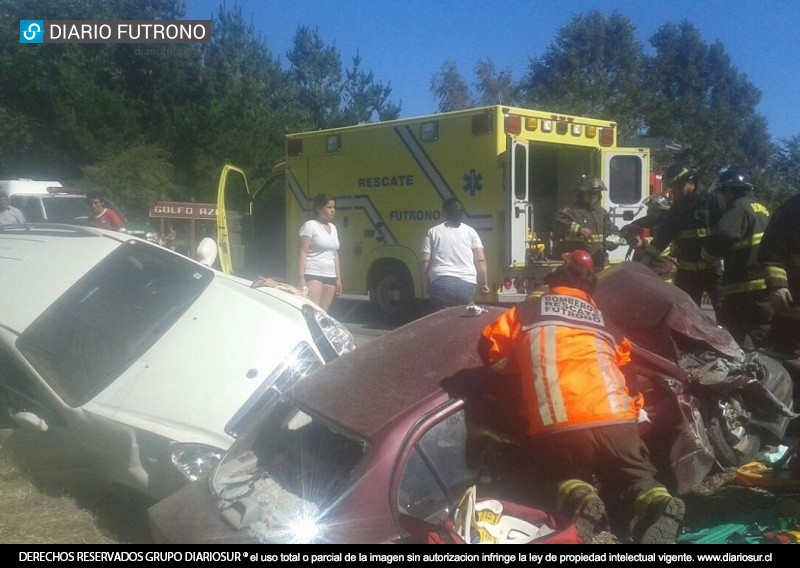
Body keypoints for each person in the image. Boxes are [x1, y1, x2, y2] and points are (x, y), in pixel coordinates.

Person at [477, 262, 685, 544]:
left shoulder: (525, 312)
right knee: (637, 475)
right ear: (588, 293)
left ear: (552, 286)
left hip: (560, 425)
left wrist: (520, 367)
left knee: (559, 475)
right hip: (617, 421)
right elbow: (627, 370)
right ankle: (658, 502)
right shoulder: (603, 320)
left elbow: (490, 351)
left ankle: (582, 498)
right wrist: (635, 409)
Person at [700, 168, 772, 349]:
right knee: (763, 336)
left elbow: (724, 234)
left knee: (728, 337)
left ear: (730, 191)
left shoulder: (738, 207)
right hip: (763, 285)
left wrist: (707, 256)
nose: (722, 198)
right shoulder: (762, 208)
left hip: (743, 286)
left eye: (723, 193)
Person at [641, 163, 725, 311]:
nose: (673, 193)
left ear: (688, 183)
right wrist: (645, 260)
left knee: (724, 313)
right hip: (687, 274)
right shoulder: (677, 209)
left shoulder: (713, 201)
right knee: (687, 315)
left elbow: (726, 232)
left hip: (714, 271)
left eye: (675, 189)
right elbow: (663, 237)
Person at [419, 197, 490, 310]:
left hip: (440, 284)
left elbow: (425, 260)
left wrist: (428, 283)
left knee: (441, 319)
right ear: (461, 212)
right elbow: (480, 260)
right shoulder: (471, 232)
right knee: (460, 317)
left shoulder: (433, 231)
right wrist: (484, 284)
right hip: (467, 286)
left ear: (445, 213)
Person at [759, 192, 800, 361]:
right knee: (781, 362)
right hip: (791, 311)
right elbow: (771, 251)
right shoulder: (791, 209)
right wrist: (778, 285)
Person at [552, 175, 620, 270]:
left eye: (596, 194)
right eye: (589, 193)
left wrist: (614, 241)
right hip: (578, 262)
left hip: (599, 261)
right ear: (581, 194)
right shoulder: (571, 211)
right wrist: (579, 229)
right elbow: (558, 222)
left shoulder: (602, 212)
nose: (593, 196)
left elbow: (612, 230)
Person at [298, 193, 341, 312]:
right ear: (318, 208)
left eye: (334, 207)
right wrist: (301, 278)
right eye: (329, 207)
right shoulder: (310, 225)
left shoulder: (333, 228)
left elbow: (335, 254)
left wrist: (338, 279)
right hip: (313, 273)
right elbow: (303, 252)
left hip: (330, 276)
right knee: (313, 309)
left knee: (324, 311)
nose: (333, 210)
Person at [620, 193, 676, 282]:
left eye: (654, 210)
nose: (650, 212)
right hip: (642, 265)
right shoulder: (643, 221)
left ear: (662, 211)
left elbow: (665, 243)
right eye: (649, 209)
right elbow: (624, 230)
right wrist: (629, 236)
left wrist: (643, 243)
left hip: (661, 266)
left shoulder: (668, 225)